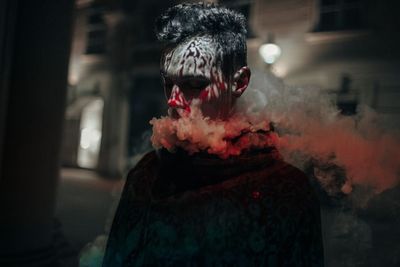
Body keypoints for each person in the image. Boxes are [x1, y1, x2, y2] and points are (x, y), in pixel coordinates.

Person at [103, 3, 324, 266]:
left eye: (195, 84)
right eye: (168, 83)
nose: (173, 100)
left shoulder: (286, 190)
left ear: (239, 83)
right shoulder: (146, 173)